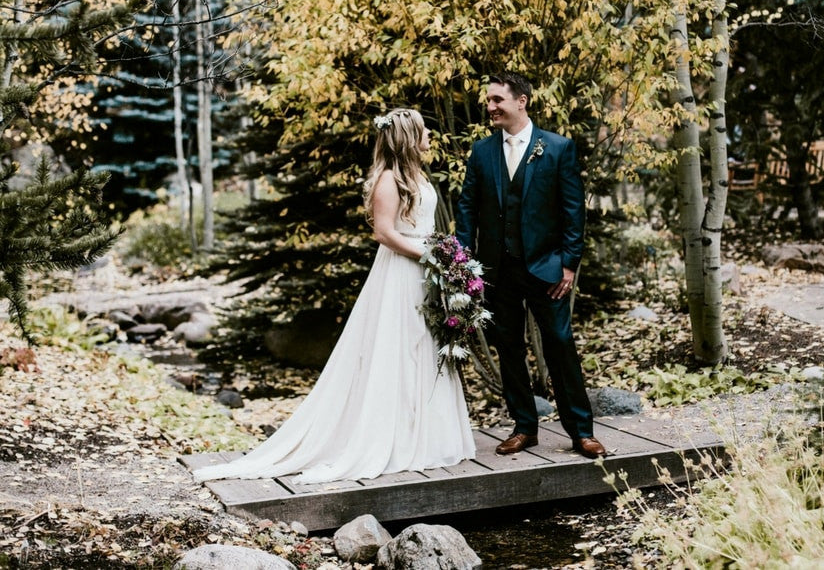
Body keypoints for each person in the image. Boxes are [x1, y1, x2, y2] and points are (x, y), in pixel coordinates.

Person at [193, 108, 475, 484]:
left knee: (425, 346)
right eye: (424, 131)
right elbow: (384, 233)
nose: (429, 137)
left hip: (425, 274)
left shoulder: (416, 175)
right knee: (400, 348)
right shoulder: (389, 180)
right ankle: (392, 435)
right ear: (408, 137)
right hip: (401, 273)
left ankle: (423, 434)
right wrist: (426, 254)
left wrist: (441, 255)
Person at [455, 72, 605, 459]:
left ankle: (581, 431)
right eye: (488, 100)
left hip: (546, 268)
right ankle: (524, 427)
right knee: (508, 347)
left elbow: (573, 213)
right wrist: (463, 260)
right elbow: (467, 208)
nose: (490, 107)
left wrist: (569, 265)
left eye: (496, 100)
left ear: (521, 101)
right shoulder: (482, 151)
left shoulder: (557, 148)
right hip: (496, 271)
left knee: (559, 344)